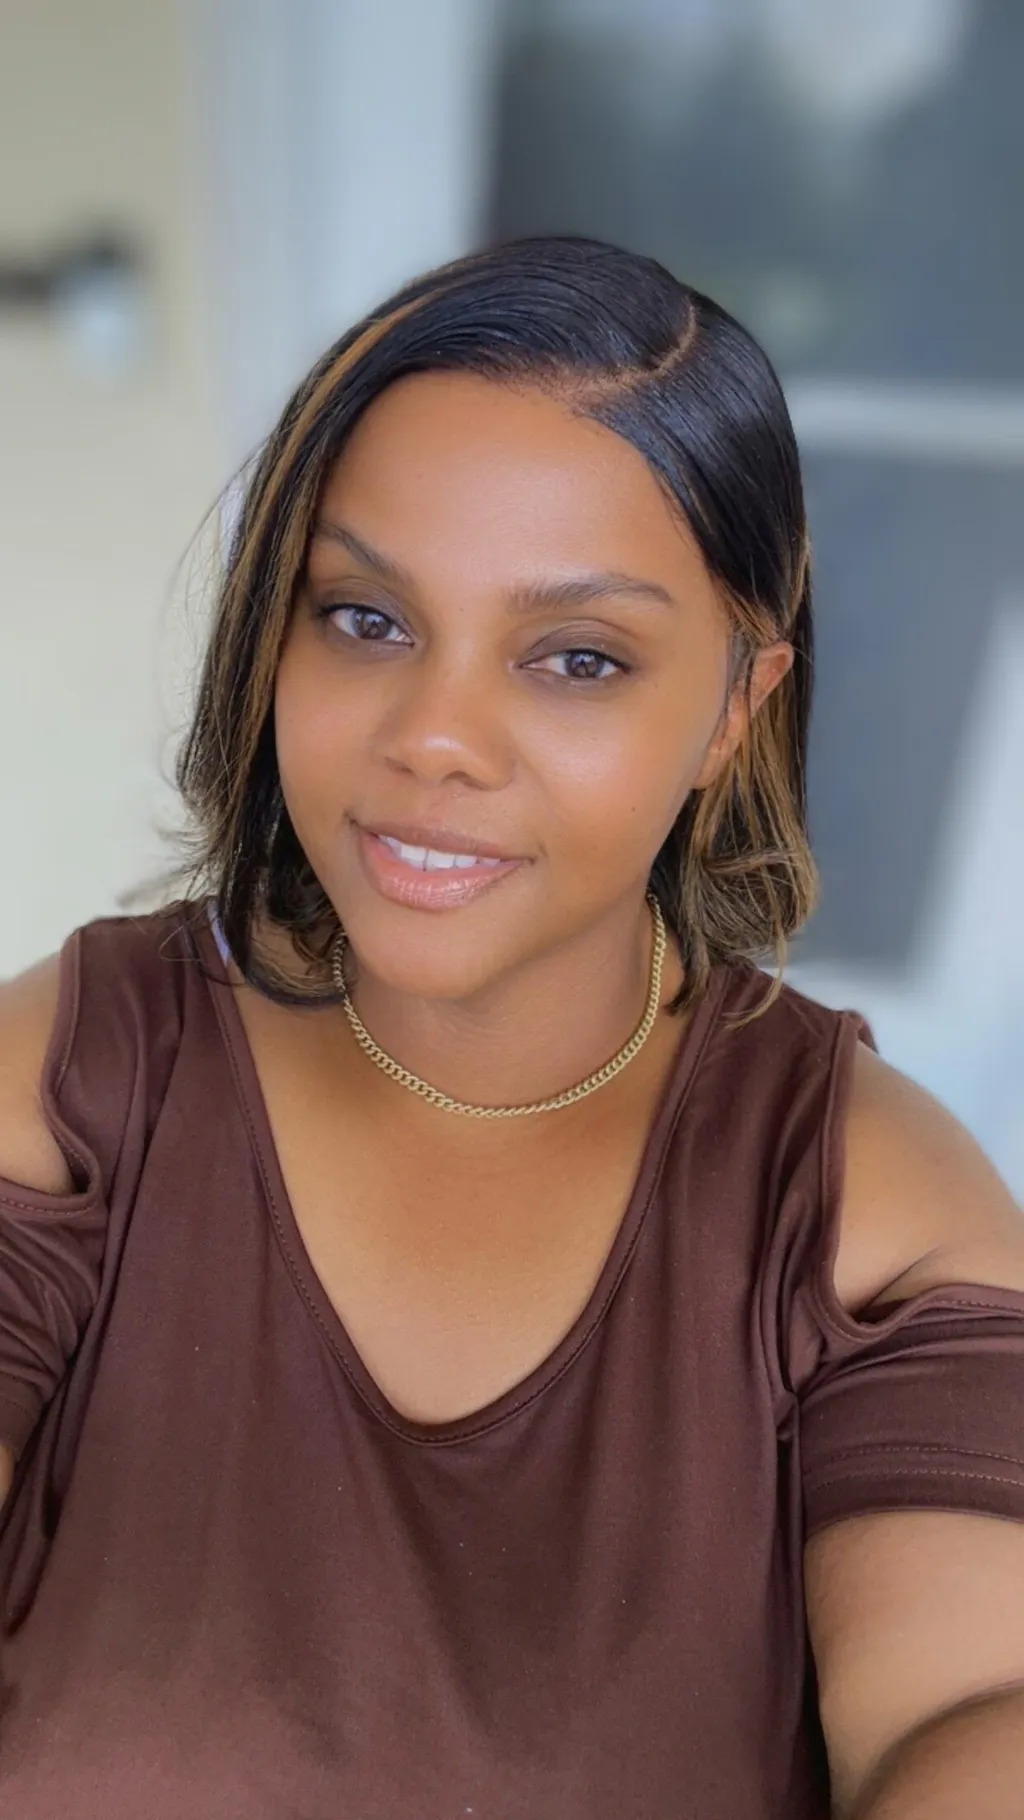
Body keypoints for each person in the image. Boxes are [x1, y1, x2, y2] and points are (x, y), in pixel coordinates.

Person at [1, 236, 1022, 1819]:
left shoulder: (866, 1205)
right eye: (365, 619)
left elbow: (972, 1706)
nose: (435, 739)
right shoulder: (76, 1082)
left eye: (577, 658)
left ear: (733, 708)